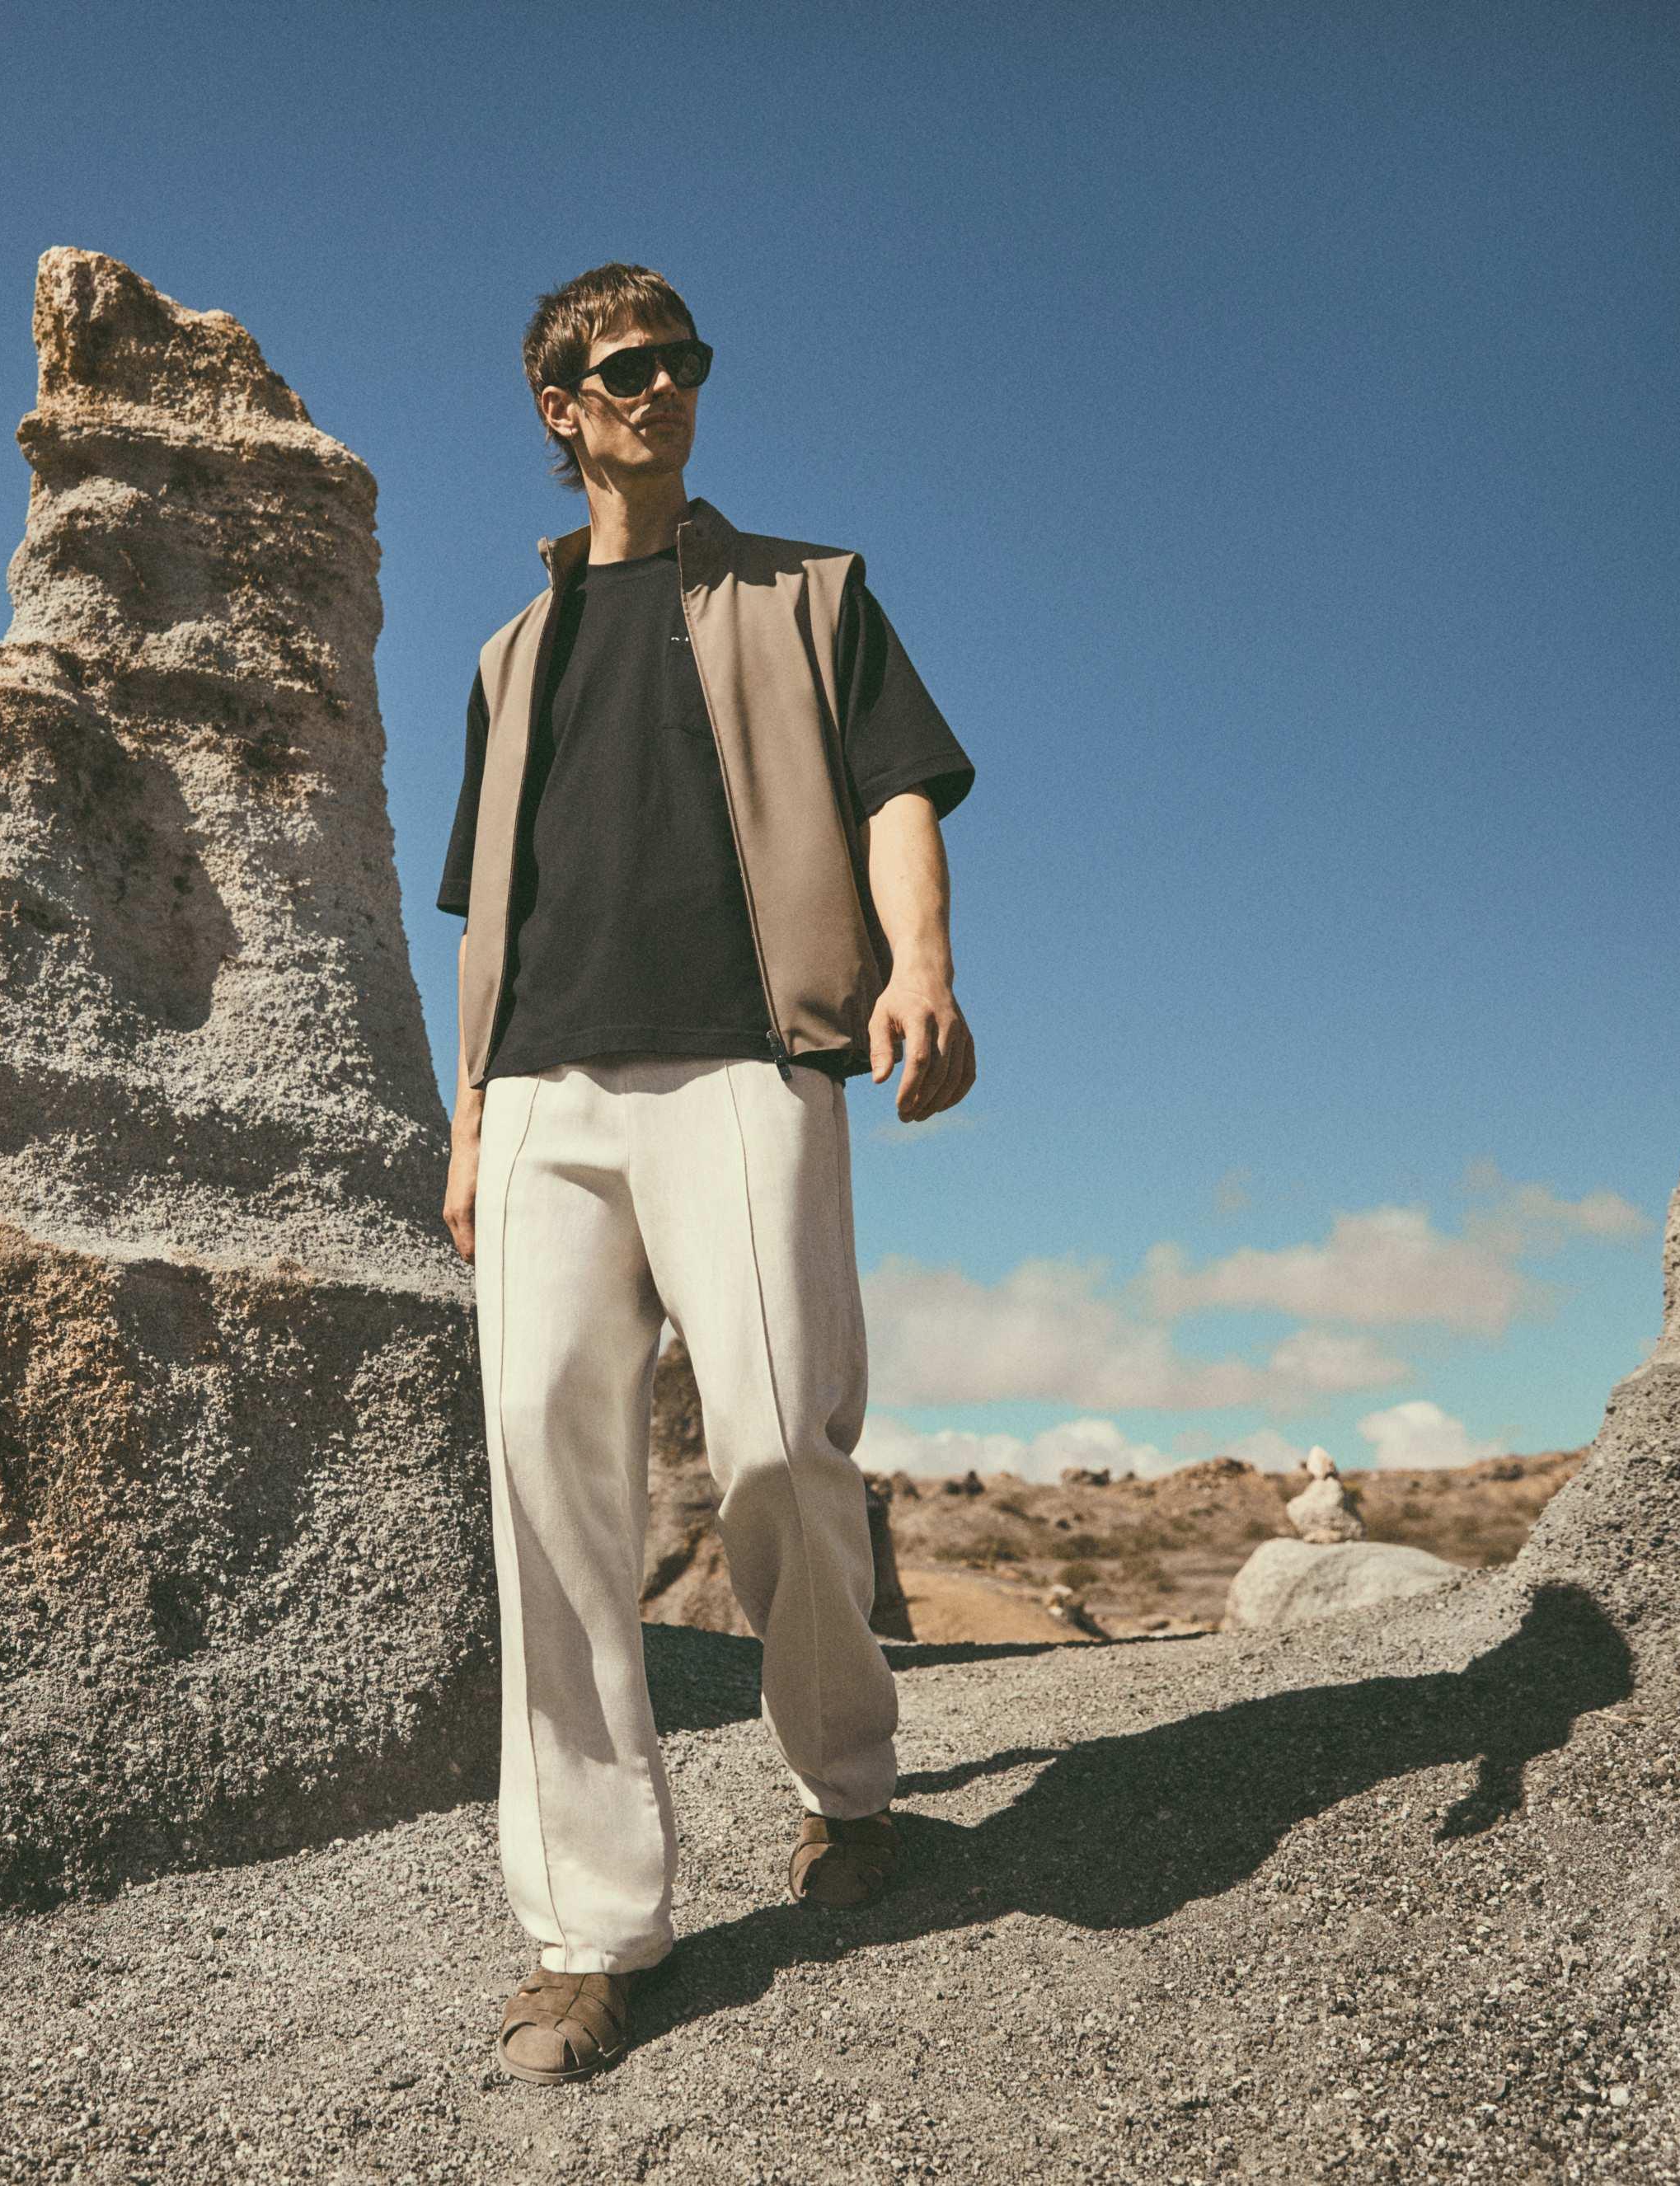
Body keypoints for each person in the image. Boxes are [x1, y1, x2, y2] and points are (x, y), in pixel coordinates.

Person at [436, 262, 978, 2086]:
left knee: (775, 1445)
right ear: (560, 408)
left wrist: (920, 963)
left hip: (747, 1063)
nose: (661, 386)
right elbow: (484, 915)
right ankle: (588, 1936)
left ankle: (849, 1783)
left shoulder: (811, 592)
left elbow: (897, 788)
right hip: (543, 1096)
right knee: (546, 1490)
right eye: (623, 367)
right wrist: (470, 1121)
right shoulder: (509, 659)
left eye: (681, 360)